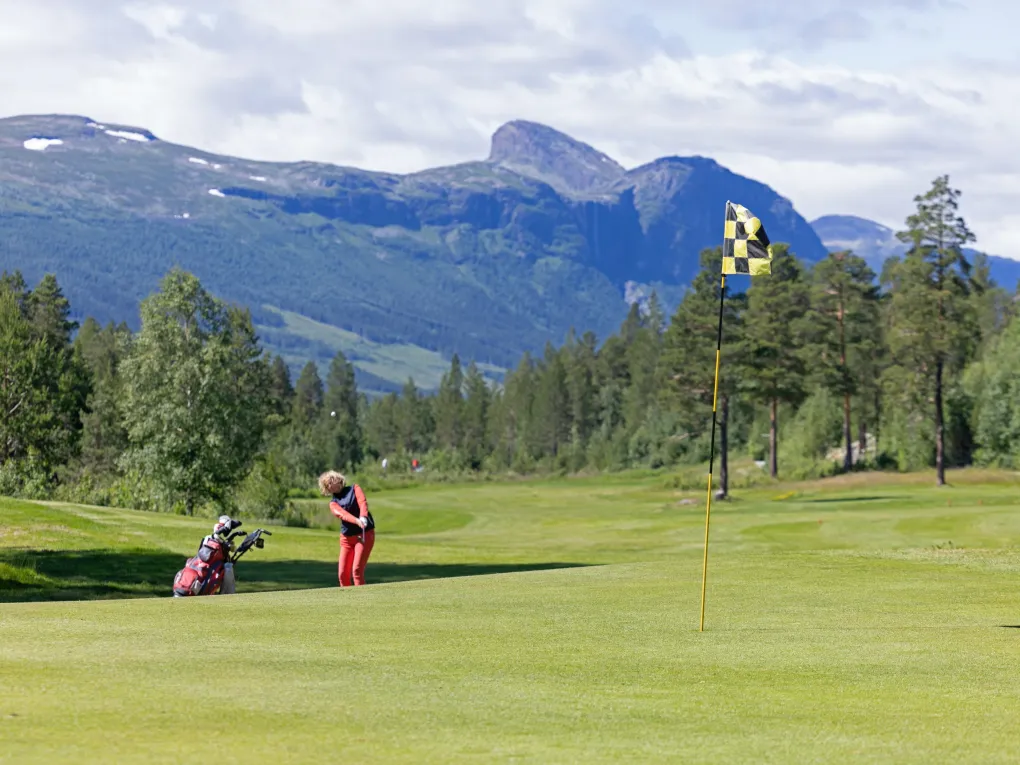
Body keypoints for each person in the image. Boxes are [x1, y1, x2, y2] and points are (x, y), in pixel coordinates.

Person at [318, 470, 375, 587]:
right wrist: (357, 521)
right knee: (343, 574)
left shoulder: (355, 489)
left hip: (363, 535)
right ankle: (347, 598)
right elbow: (343, 515)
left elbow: (362, 503)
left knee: (357, 571)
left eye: (331, 481)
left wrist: (363, 517)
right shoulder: (333, 504)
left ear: (338, 480)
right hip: (346, 539)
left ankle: (363, 597)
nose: (330, 485)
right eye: (327, 485)